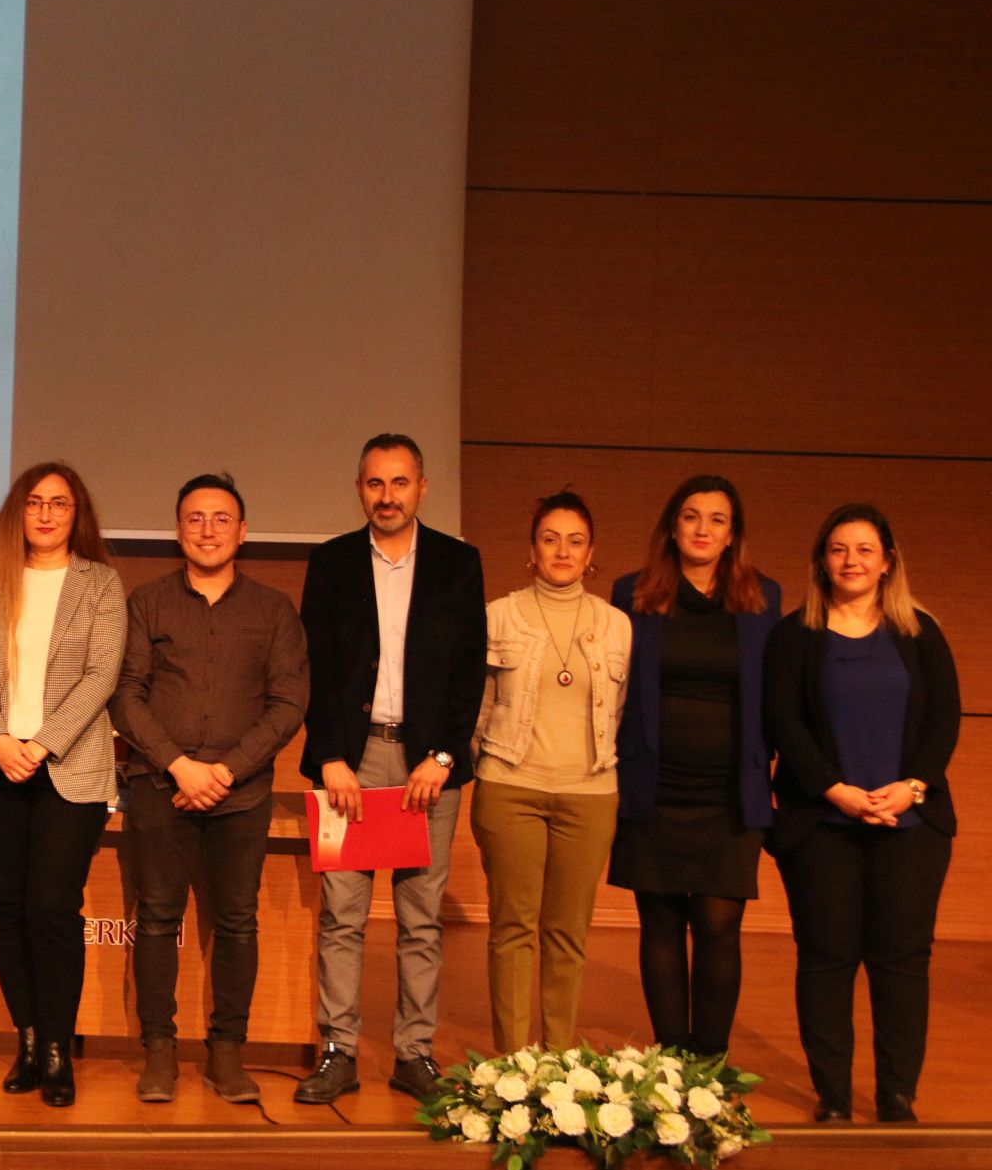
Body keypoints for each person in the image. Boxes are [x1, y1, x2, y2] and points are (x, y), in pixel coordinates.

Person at [296, 433, 485, 1105]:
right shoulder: (332, 562)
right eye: (375, 483)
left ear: (422, 488)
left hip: (426, 767)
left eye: (399, 482)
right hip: (350, 763)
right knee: (342, 916)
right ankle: (338, 1051)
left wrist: (443, 756)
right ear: (359, 489)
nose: (387, 496)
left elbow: (468, 671)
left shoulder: (459, 564)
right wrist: (329, 756)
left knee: (421, 918)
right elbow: (312, 668)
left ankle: (414, 1054)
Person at [111, 473, 307, 1104]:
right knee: (156, 919)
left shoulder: (274, 610)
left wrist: (226, 770)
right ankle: (159, 1053)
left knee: (238, 922)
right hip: (158, 786)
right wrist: (178, 765)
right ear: (178, 530)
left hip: (240, 795)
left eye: (221, 519)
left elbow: (289, 702)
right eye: (195, 518)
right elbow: (126, 694)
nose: (208, 530)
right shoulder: (147, 603)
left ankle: (227, 1053)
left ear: (243, 532)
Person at [766, 504, 960, 1124]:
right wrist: (834, 790)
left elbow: (943, 719)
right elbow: (783, 721)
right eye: (839, 549)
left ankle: (897, 1096)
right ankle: (834, 1098)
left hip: (910, 825)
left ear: (887, 563)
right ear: (822, 561)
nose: (851, 561)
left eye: (864, 550)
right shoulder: (794, 634)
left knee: (901, 960)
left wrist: (913, 786)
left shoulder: (920, 632)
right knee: (827, 957)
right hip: (822, 824)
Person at [0, 462, 126, 1107]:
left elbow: (101, 675)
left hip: (69, 768)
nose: (47, 514)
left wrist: (41, 743)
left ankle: (58, 1048)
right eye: (35, 503)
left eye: (60, 503)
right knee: (4, 907)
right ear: (18, 512)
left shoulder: (100, 583)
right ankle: (27, 1040)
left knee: (52, 905)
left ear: (77, 513)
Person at [606, 474, 780, 1058]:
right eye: (691, 516)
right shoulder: (632, 593)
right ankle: (670, 1064)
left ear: (733, 535)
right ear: (672, 527)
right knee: (659, 925)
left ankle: (709, 1065)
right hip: (652, 788)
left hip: (730, 793)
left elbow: (776, 694)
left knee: (718, 926)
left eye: (717, 519)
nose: (703, 529)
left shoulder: (764, 598)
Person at [469, 491, 630, 1055]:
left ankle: (560, 1063)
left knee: (567, 934)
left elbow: (620, 711)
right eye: (550, 539)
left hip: (590, 794)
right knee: (512, 929)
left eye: (575, 541)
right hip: (510, 787)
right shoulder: (497, 616)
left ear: (591, 553)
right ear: (532, 550)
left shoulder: (617, 626)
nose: (563, 550)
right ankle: (512, 1063)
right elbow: (476, 708)